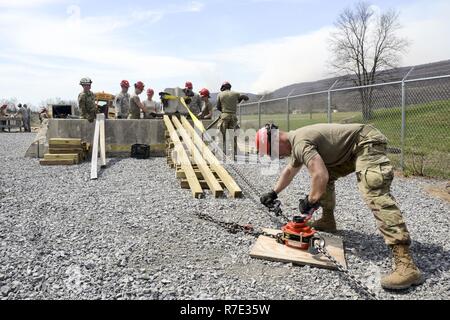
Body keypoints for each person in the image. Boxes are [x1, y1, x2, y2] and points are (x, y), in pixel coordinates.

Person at [257, 123, 423, 291]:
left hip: (366, 142)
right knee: (326, 177)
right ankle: (328, 220)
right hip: (352, 149)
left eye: (273, 153)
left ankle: (406, 264)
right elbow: (289, 171)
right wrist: (273, 193)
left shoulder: (300, 143)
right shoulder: (296, 141)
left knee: (373, 190)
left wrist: (311, 200)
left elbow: (319, 174)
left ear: (276, 140)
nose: (277, 157)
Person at [216, 81, 249, 154]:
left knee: (222, 134)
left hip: (224, 116)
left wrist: (224, 112)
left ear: (223, 87)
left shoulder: (220, 94)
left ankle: (222, 152)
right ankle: (234, 152)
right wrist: (241, 97)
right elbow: (244, 99)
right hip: (233, 117)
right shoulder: (236, 94)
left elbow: (218, 107)